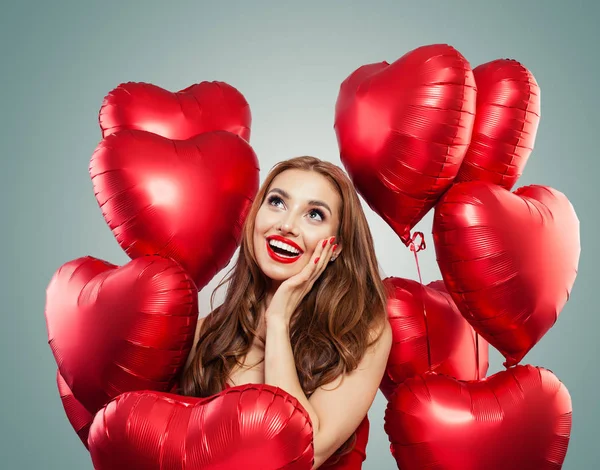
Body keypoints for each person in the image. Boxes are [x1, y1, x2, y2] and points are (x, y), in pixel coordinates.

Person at [178, 156, 392, 469]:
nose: (287, 225)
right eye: (277, 202)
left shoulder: (362, 334)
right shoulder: (202, 334)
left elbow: (302, 451)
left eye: (315, 214)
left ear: (335, 248)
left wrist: (277, 320)